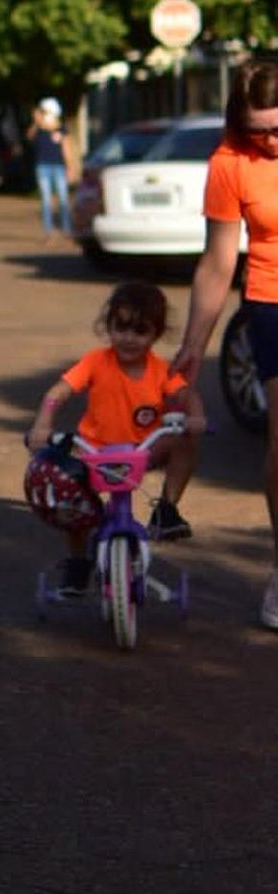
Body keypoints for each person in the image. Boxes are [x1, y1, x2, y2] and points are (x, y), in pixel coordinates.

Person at [172, 56, 278, 629]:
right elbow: (217, 264)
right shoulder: (231, 162)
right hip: (271, 301)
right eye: (259, 130)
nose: (271, 141)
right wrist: (194, 344)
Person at [25, 278, 206, 595]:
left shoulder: (160, 370)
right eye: (120, 327)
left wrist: (196, 417)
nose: (129, 338)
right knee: (73, 503)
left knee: (184, 442)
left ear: (156, 334)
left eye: (140, 331)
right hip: (94, 453)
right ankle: (78, 562)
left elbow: (186, 395)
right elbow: (58, 392)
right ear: (107, 325)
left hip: (142, 451)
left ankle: (166, 508)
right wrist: (43, 423)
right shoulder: (95, 362)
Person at [28, 97, 72, 240]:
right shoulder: (39, 130)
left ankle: (67, 229)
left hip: (59, 166)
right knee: (46, 200)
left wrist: (69, 167)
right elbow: (29, 136)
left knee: (63, 199)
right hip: (43, 166)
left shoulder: (61, 129)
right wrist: (36, 122)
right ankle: (49, 231)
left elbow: (66, 148)